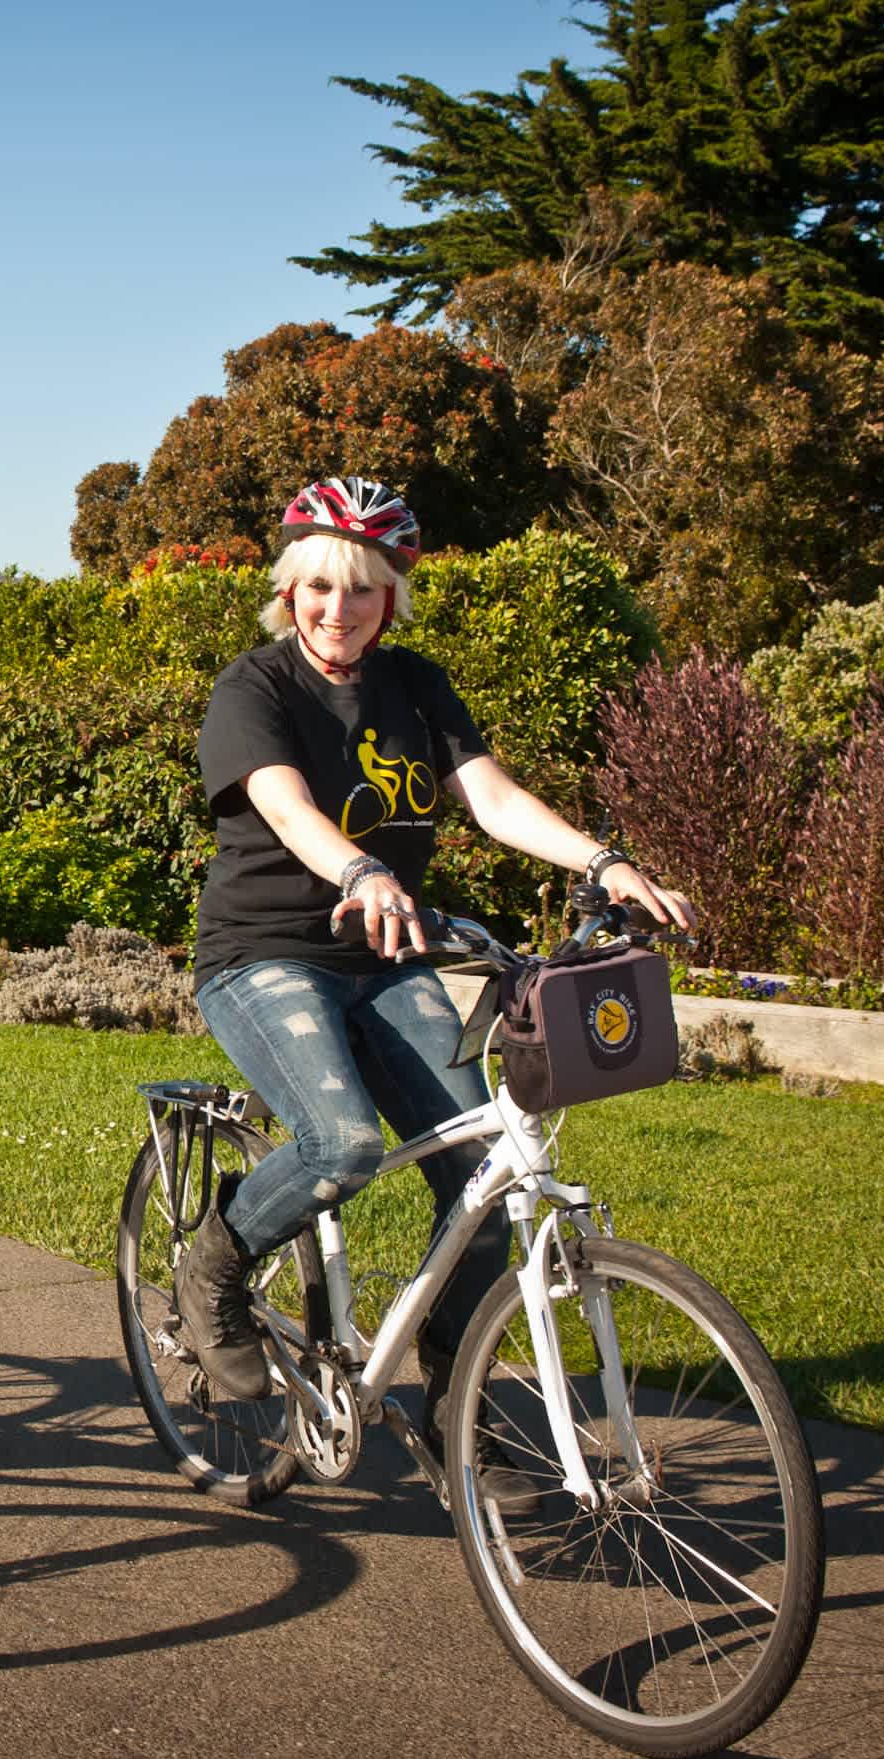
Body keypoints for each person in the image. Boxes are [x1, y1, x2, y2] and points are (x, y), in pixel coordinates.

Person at [177, 477, 695, 1471]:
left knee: (486, 1181)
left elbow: (492, 799)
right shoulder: (256, 687)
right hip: (266, 955)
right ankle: (219, 1268)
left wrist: (603, 862)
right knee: (338, 1146)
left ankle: (455, 1401)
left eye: (364, 590)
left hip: (388, 958)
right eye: (320, 587)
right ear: (289, 590)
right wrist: (362, 867)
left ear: (392, 597)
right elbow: (285, 808)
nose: (339, 609)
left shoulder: (415, 684)